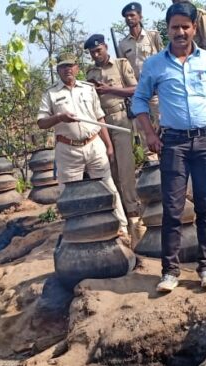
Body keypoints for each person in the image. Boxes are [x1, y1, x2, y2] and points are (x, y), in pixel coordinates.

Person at [133, 2, 206, 293]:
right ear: (166, 30)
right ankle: (169, 272)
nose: (180, 32)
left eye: (185, 26)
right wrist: (149, 135)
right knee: (173, 208)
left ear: (194, 28)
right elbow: (139, 101)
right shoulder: (155, 65)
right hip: (173, 144)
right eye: (174, 27)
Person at [37, 52, 130, 244]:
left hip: (94, 144)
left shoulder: (88, 89)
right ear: (58, 70)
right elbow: (41, 122)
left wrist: (108, 146)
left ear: (77, 68)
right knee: (69, 194)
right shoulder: (51, 94)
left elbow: (99, 117)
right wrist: (59, 118)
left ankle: (121, 229)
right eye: (63, 66)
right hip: (67, 149)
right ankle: (76, 235)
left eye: (71, 65)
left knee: (107, 186)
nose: (68, 69)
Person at [85, 34, 143, 241]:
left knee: (126, 169)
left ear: (105, 47)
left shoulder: (120, 64)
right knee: (111, 171)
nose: (95, 54)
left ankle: (134, 215)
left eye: (98, 50)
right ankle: (120, 218)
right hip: (101, 123)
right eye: (92, 52)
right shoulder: (90, 72)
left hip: (120, 120)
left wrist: (109, 89)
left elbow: (136, 88)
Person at [119, 2, 164, 152]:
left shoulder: (153, 36)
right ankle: (151, 162)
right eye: (126, 16)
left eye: (132, 15)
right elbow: (122, 68)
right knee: (143, 128)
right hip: (137, 91)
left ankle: (167, 154)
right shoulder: (123, 44)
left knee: (162, 122)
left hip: (156, 89)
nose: (129, 18)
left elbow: (163, 59)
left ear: (140, 16)